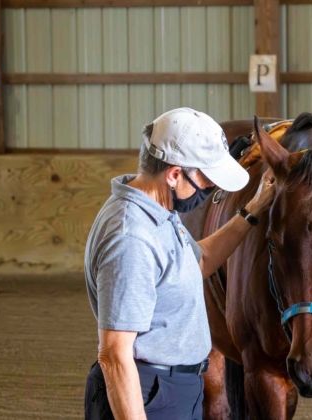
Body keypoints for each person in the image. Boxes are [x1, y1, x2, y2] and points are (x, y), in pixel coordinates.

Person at [83, 108, 275, 419]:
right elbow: (115, 354)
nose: (211, 189)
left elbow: (197, 263)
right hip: (147, 395)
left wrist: (254, 209)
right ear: (174, 174)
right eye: (207, 180)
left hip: (171, 388)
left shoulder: (157, 212)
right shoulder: (131, 237)